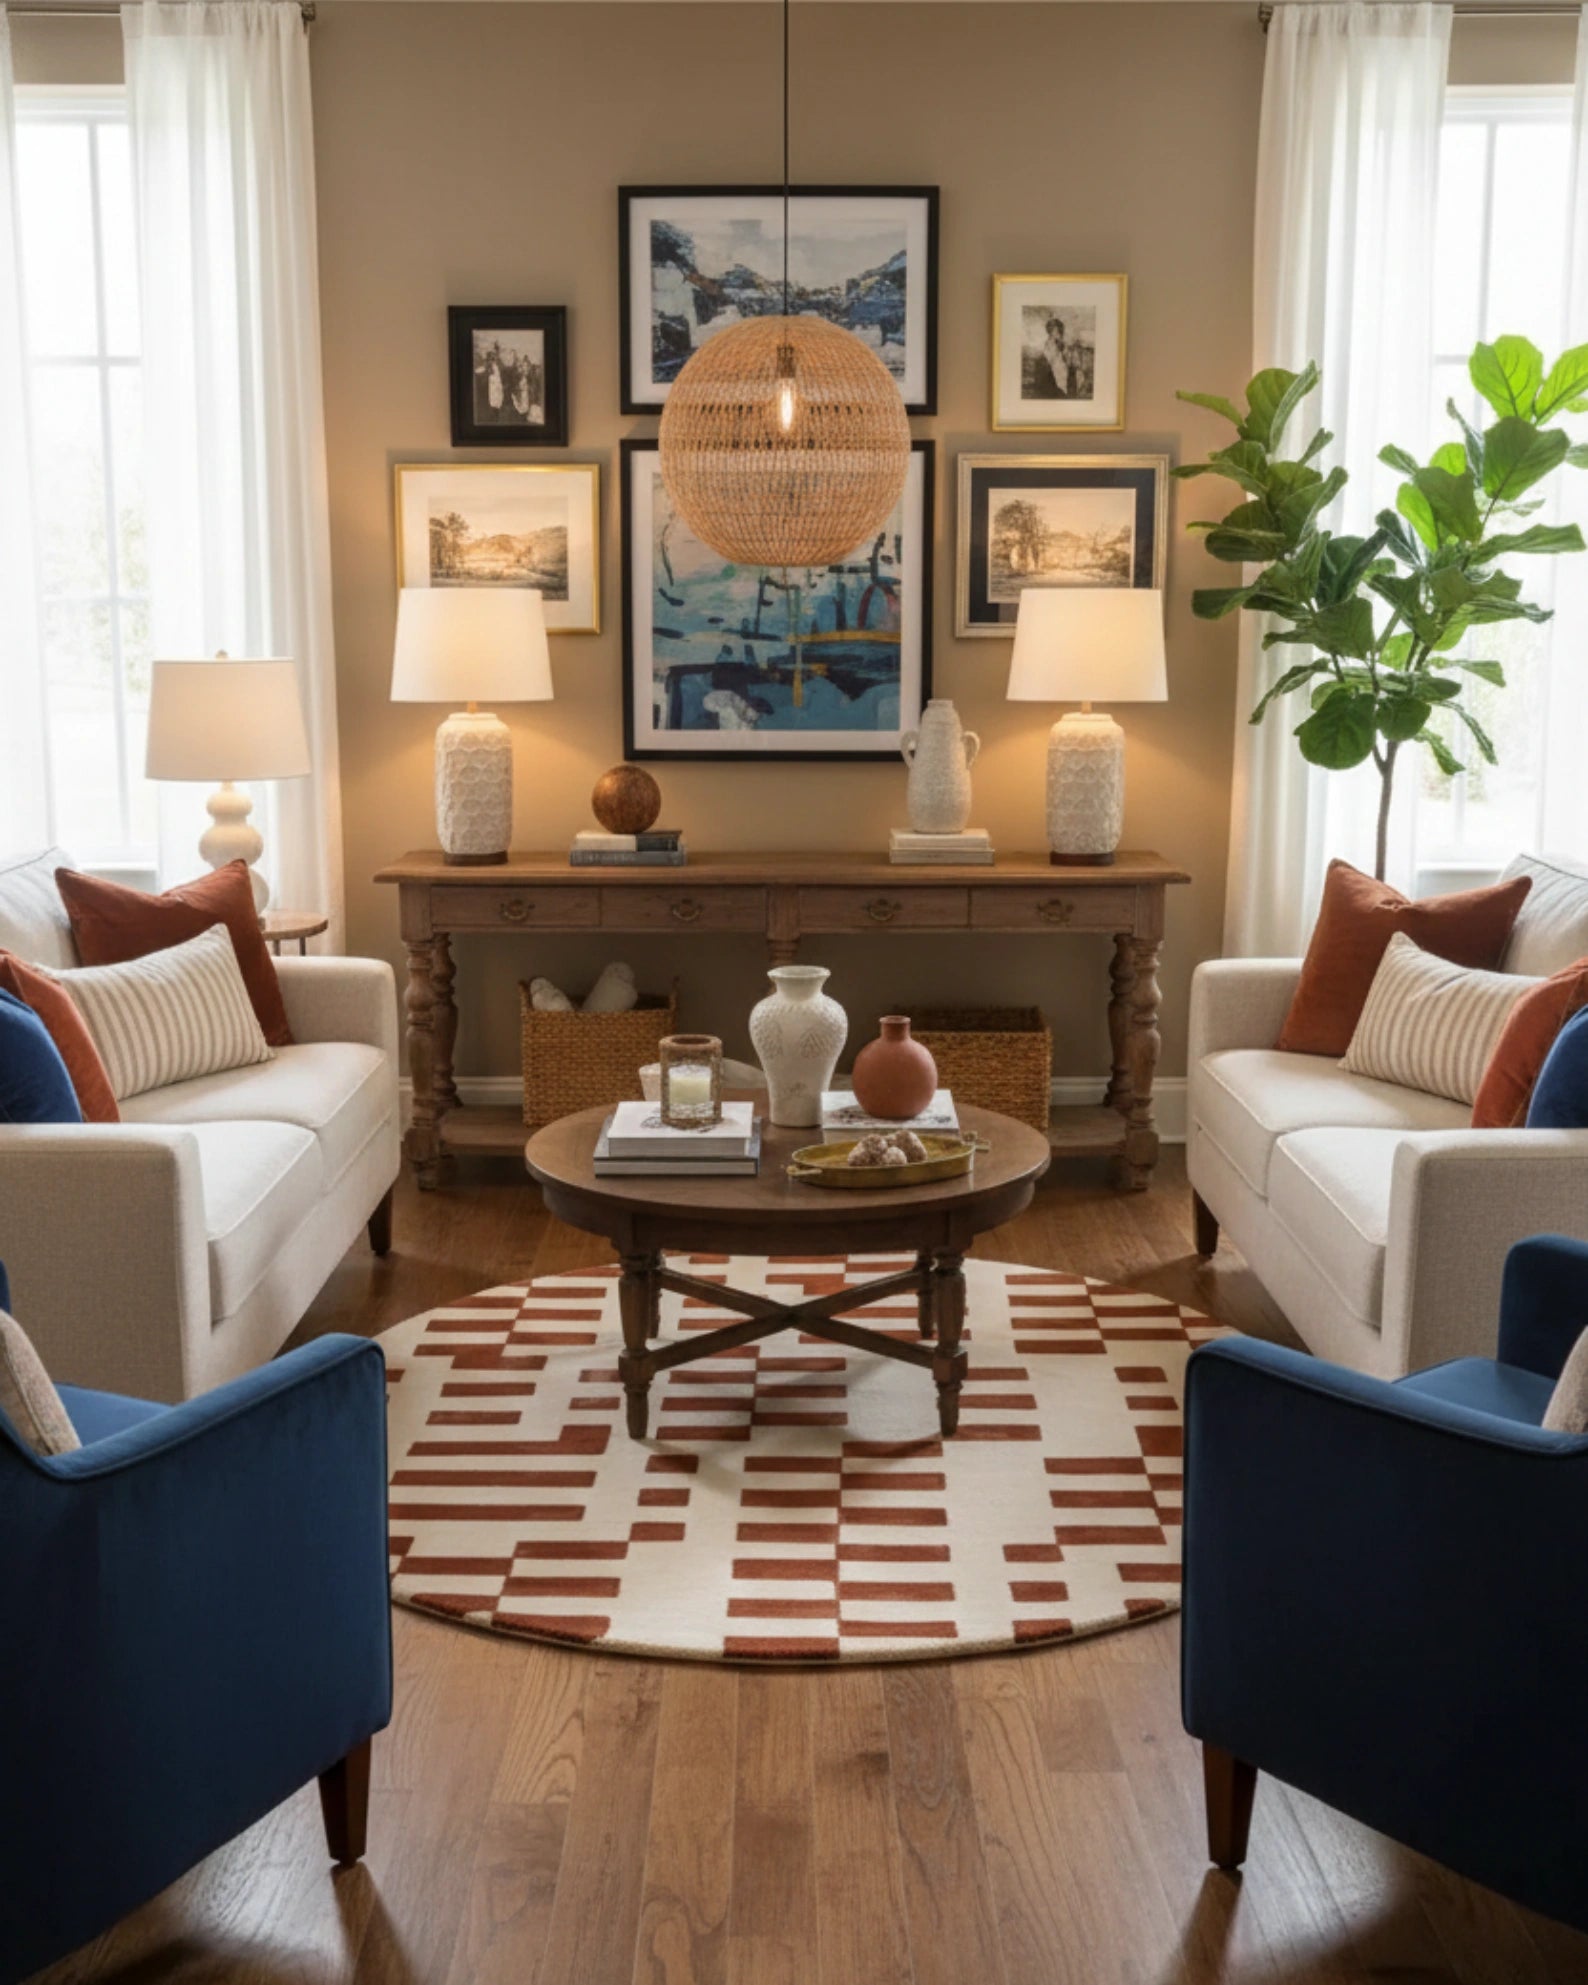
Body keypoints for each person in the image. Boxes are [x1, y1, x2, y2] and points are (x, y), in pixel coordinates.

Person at [1042, 316, 1071, 398]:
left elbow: (1066, 354)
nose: (1057, 332)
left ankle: (1064, 391)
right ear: (1050, 332)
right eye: (1055, 330)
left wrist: (1062, 348)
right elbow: (1049, 357)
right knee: (1059, 372)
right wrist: (1057, 352)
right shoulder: (1048, 343)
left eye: (1058, 330)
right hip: (1054, 366)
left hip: (1062, 365)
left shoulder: (1061, 342)